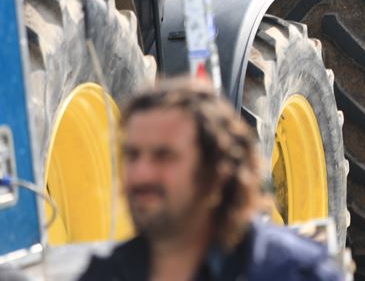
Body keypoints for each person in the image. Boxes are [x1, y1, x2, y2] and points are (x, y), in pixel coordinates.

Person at [78, 78, 344, 281]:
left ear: (216, 171)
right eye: (132, 155)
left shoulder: (291, 271)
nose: (141, 173)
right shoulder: (103, 274)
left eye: (164, 156)